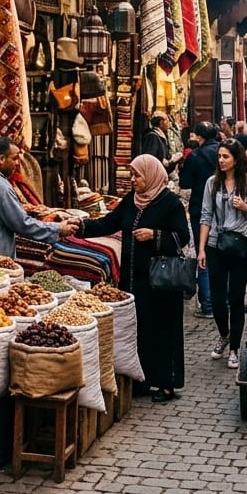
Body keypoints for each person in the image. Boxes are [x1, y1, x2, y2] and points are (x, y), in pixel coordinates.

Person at [78, 155, 193, 402]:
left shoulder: (169, 203)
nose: (132, 179)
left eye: (136, 175)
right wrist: (80, 228)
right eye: (131, 174)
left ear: (150, 175)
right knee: (138, 329)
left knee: (162, 330)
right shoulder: (131, 200)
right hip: (134, 279)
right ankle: (142, 380)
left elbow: (182, 236)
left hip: (160, 281)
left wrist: (155, 235)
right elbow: (109, 223)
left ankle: (166, 384)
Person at [196, 139, 247, 369]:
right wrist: (201, 249)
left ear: (236, 159)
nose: (221, 160)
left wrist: (245, 208)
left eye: (226, 156)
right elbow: (205, 215)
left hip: (241, 245)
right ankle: (224, 334)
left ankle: (234, 348)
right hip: (215, 245)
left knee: (236, 297)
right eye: (220, 156)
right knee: (216, 298)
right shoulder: (212, 182)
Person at [0, 137, 77, 259]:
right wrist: (58, 228)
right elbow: (22, 224)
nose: (18, 163)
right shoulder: (1, 186)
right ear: (1, 159)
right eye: (15, 158)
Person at [178, 122, 220, 318]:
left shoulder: (195, 156)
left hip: (200, 208)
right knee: (222, 252)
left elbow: (185, 183)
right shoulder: (225, 152)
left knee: (203, 252)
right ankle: (223, 301)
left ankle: (208, 304)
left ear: (200, 137)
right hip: (223, 207)